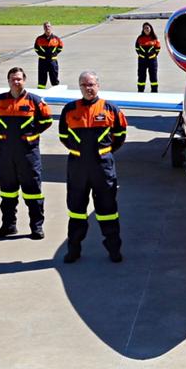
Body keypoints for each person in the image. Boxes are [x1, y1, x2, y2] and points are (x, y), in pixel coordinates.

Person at [59, 70, 128, 263]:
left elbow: (120, 136)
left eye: (91, 84)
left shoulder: (110, 109)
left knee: (108, 210)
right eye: (84, 85)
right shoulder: (70, 109)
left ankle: (114, 249)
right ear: (79, 87)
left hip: (102, 167)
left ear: (98, 85)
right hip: (78, 167)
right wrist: (80, 151)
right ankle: (74, 250)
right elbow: (63, 136)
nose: (88, 88)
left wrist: (104, 152)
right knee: (76, 210)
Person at [0, 67, 53, 239]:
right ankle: (8, 226)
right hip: (6, 153)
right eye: (13, 79)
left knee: (33, 191)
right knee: (7, 192)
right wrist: (6, 134)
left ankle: (36, 227)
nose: (16, 82)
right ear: (8, 81)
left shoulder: (35, 101)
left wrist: (31, 135)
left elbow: (47, 121)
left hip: (28, 154)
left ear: (24, 80)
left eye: (19, 79)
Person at [33, 22, 63, 90]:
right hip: (42, 61)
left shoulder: (56, 38)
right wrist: (42, 54)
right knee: (42, 78)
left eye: (48, 26)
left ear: (51, 27)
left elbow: (60, 47)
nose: (47, 28)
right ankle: (41, 91)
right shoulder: (39, 38)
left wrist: (54, 53)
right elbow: (36, 48)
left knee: (54, 77)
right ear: (43, 28)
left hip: (53, 61)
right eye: (45, 27)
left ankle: (56, 91)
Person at [135, 22, 161, 93]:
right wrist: (142, 55)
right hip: (142, 61)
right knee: (141, 77)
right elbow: (137, 48)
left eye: (147, 28)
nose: (146, 29)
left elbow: (158, 49)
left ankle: (154, 92)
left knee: (153, 77)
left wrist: (152, 55)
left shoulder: (155, 38)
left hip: (152, 61)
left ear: (150, 29)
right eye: (145, 28)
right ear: (143, 30)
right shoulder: (139, 38)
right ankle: (140, 91)